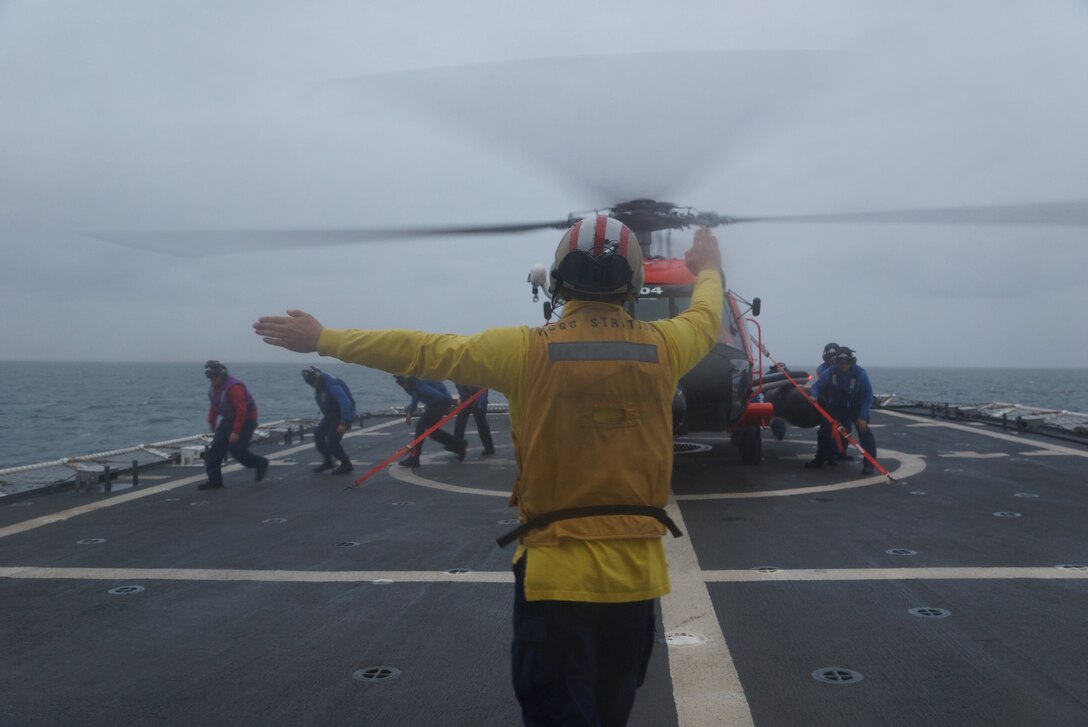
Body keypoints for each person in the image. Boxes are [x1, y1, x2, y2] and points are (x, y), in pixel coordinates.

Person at [254, 218, 723, 726]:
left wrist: (326, 338)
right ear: (631, 284)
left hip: (555, 576)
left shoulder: (524, 349)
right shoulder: (668, 346)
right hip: (636, 581)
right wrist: (708, 270)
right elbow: (706, 313)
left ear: (559, 282)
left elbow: (423, 351)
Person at [199, 360, 269, 490]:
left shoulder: (234, 387)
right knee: (214, 451)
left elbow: (241, 411)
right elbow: (215, 405)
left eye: (214, 377)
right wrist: (212, 421)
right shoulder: (214, 387)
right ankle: (215, 481)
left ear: (221, 374)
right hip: (228, 419)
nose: (212, 380)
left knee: (238, 451)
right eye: (210, 377)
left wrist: (236, 432)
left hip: (247, 419)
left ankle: (261, 463)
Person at [807, 346, 877, 475]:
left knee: (864, 432)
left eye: (846, 362)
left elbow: (868, 396)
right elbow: (817, 385)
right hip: (837, 406)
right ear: (836, 362)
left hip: (856, 406)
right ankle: (819, 460)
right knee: (824, 431)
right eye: (840, 362)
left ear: (851, 361)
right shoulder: (831, 371)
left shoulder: (860, 373)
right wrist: (813, 395)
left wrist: (862, 417)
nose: (843, 365)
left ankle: (869, 464)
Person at [394, 375, 466, 468]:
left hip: (440, 403)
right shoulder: (413, 385)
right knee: (432, 432)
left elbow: (440, 397)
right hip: (437, 404)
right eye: (400, 383)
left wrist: (431, 406)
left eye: (403, 383)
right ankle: (459, 444)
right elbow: (415, 396)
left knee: (420, 425)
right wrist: (410, 412)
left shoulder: (422, 387)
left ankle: (415, 458)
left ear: (408, 381)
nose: (402, 386)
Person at [301, 365, 357, 474]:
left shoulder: (332, 386)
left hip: (342, 415)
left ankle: (346, 464)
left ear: (316, 379)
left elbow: (346, 403)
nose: (312, 386)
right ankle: (328, 461)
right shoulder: (320, 384)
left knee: (332, 441)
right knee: (318, 435)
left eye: (312, 383)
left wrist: (344, 422)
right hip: (331, 414)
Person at [453, 383, 496, 456]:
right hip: (475, 397)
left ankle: (458, 445)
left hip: (471, 397)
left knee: (461, 421)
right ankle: (489, 447)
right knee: (480, 423)